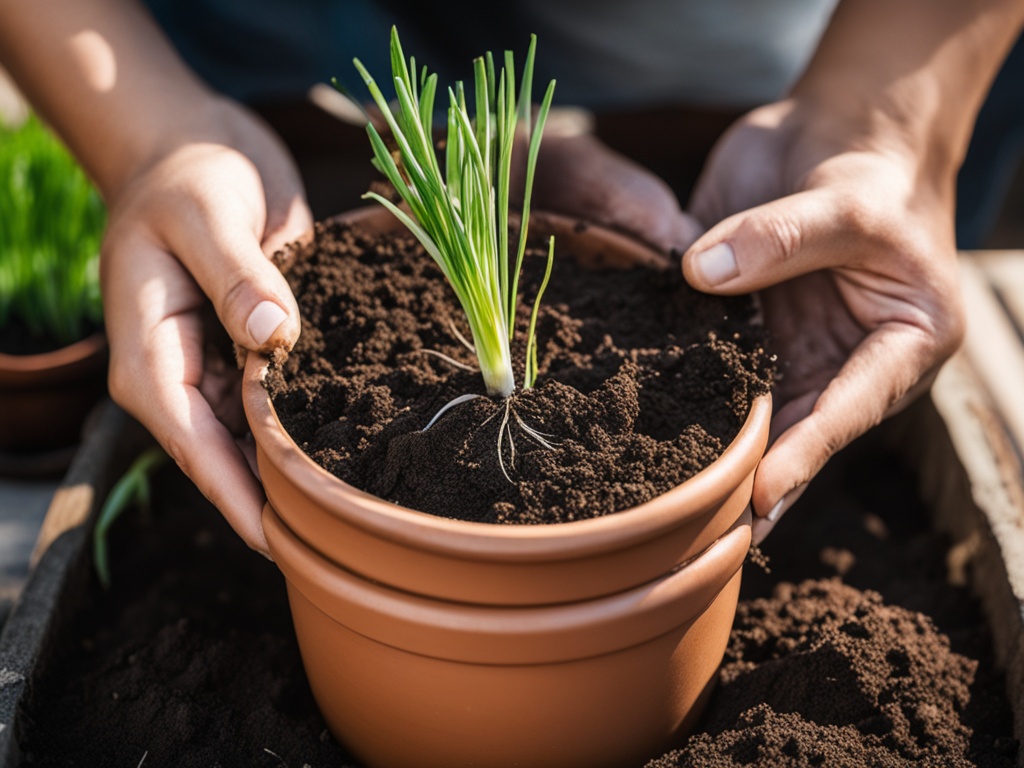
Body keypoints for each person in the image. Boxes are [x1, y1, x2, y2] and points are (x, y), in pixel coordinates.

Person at [1, 0, 1021, 556]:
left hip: (804, 45)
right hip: (249, 41)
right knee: (289, 226)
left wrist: (886, 118)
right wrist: (156, 135)